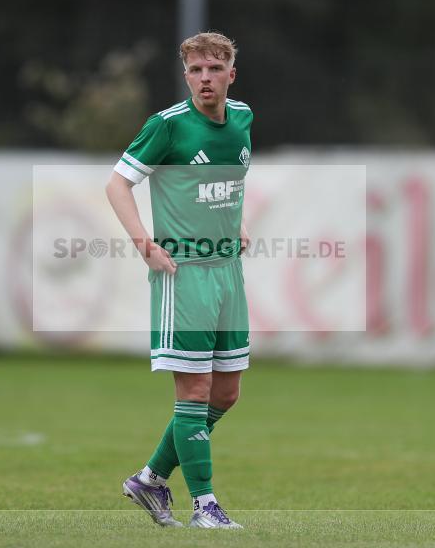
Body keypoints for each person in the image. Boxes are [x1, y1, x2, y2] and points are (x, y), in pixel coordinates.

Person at [106, 32, 252, 529]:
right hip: (183, 274)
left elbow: (227, 184)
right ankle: (205, 507)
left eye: (214, 69)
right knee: (193, 392)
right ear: (185, 74)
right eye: (195, 70)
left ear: (231, 74)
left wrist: (238, 223)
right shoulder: (167, 127)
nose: (205, 78)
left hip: (228, 271)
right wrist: (145, 243)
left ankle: (150, 478)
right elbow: (118, 183)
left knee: (225, 394)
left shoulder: (243, 120)